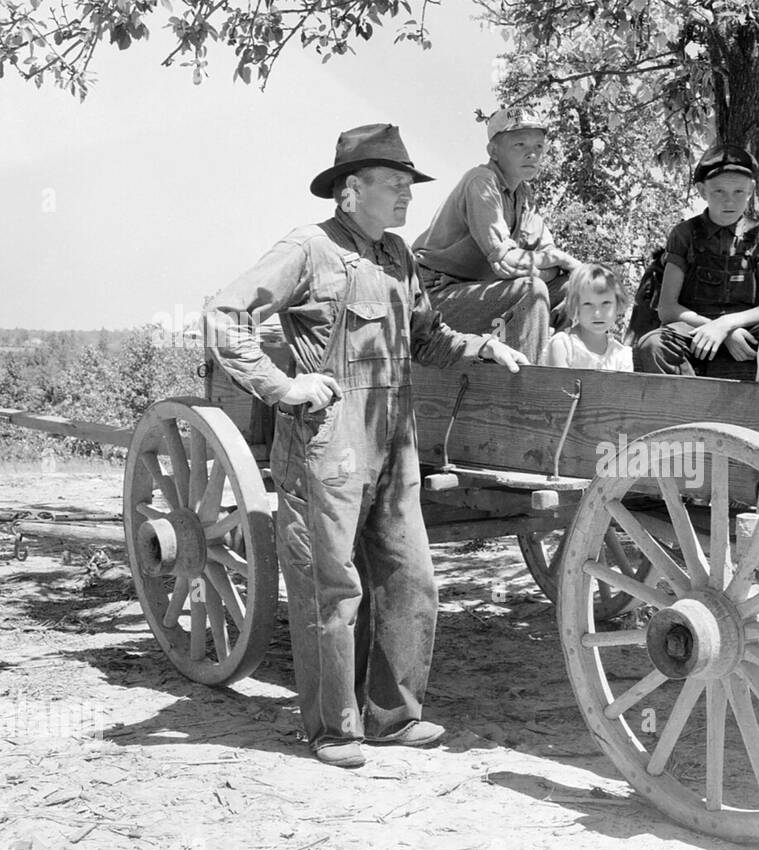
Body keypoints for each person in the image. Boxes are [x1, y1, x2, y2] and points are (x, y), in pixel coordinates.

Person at [204, 123, 528, 768]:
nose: (407, 196)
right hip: (327, 438)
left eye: (410, 185)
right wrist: (282, 387)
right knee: (333, 586)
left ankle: (393, 717)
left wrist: (484, 346)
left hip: (393, 432)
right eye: (394, 184)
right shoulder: (308, 248)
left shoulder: (398, 256)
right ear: (351, 191)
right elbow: (225, 314)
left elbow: (429, 337)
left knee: (411, 578)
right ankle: (334, 729)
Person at [412, 109, 583, 363]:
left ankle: (560, 375)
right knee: (530, 290)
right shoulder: (481, 181)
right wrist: (553, 259)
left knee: (573, 286)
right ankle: (526, 389)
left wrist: (547, 265)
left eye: (538, 145)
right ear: (493, 151)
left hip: (478, 292)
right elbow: (506, 263)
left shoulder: (524, 195)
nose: (532, 153)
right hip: (433, 301)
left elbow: (551, 268)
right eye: (519, 144)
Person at [633, 144, 759, 380]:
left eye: (738, 192)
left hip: (745, 333)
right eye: (719, 191)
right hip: (693, 331)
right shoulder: (684, 234)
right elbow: (668, 309)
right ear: (702, 191)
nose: (729, 201)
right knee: (652, 345)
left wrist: (727, 326)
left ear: (751, 190)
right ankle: (672, 412)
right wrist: (712, 328)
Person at [541, 262, 634, 371]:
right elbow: (559, 386)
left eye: (606, 303)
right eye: (588, 304)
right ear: (576, 306)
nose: (597, 314)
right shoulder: (563, 345)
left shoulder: (621, 354)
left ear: (618, 304)